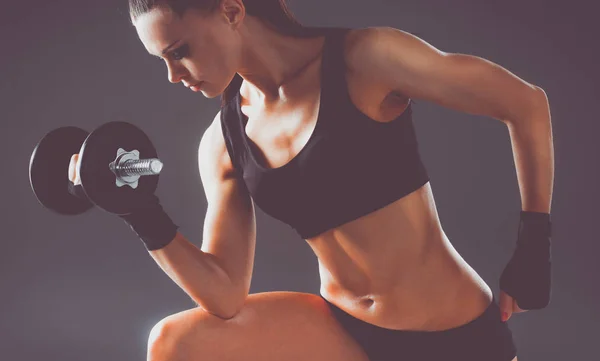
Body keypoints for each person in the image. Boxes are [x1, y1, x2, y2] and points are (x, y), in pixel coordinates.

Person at [70, 0, 554, 360]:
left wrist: (534, 247)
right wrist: (139, 212)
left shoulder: (364, 59)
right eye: (162, 61)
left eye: (179, 52)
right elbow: (224, 295)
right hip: (343, 332)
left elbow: (525, 104)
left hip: (454, 334)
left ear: (231, 10)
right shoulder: (222, 140)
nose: (174, 75)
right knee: (175, 343)